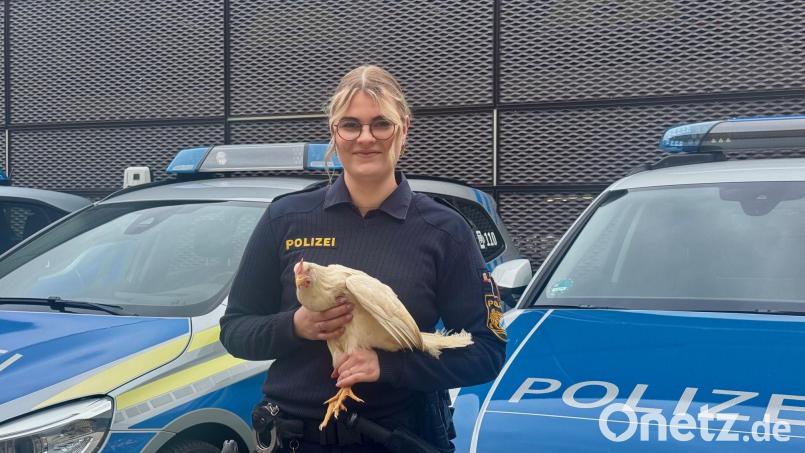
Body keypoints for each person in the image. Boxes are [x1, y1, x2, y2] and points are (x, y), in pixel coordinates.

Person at [220, 65, 506, 452]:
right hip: (293, 439)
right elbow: (235, 330)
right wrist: (296, 326)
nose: (365, 138)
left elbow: (486, 352)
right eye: (350, 125)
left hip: (394, 438)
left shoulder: (444, 231)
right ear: (334, 134)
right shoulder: (285, 218)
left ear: (404, 128)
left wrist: (388, 367)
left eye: (381, 124)